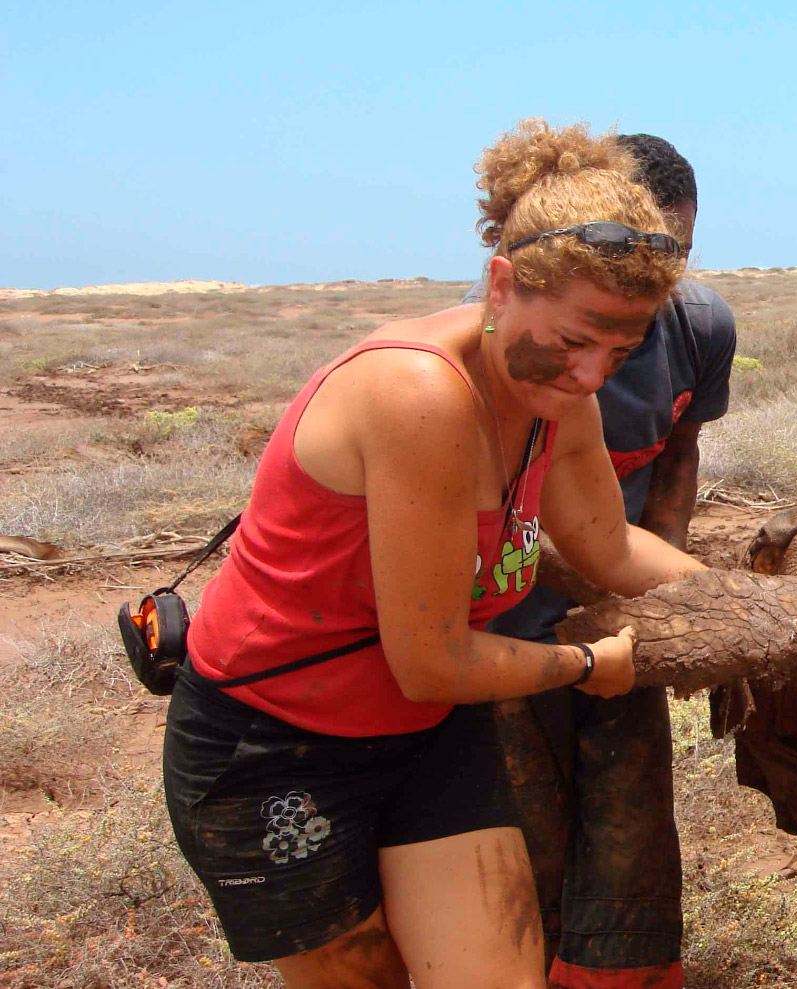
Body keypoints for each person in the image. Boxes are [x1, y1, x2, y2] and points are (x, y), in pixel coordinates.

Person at [162, 119, 705, 989]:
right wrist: (585, 664)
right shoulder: (417, 393)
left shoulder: (561, 395)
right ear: (500, 286)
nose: (593, 374)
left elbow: (608, 546)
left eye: (624, 347)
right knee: (365, 975)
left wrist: (749, 607)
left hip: (424, 731)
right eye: (574, 338)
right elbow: (431, 657)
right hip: (272, 742)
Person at [468, 135, 735, 989]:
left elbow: (646, 498)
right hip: (490, 636)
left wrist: (701, 609)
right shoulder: (515, 355)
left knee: (628, 829)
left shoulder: (688, 332)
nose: (597, 367)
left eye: (678, 251)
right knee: (516, 833)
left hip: (622, 613)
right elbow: (432, 634)